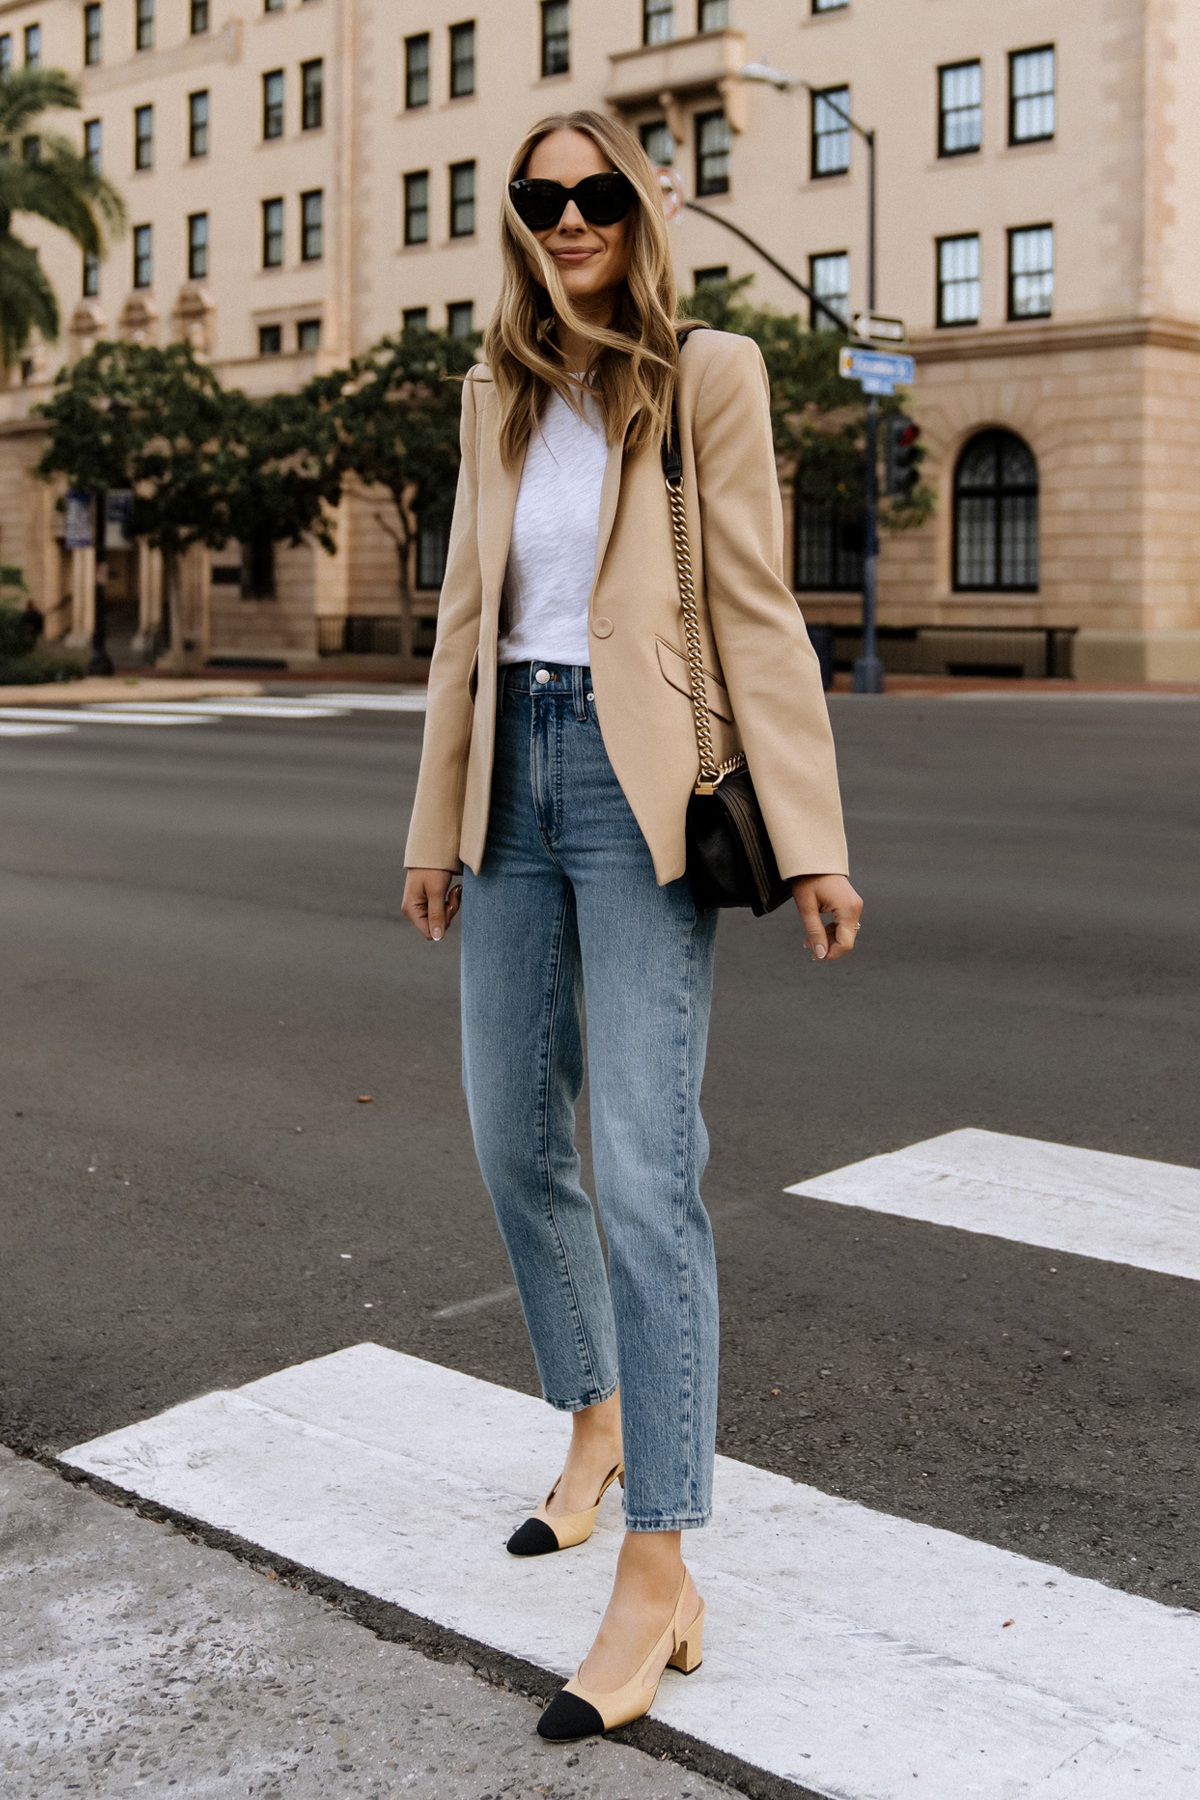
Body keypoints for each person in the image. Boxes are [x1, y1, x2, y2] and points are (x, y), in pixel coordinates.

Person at [402, 109, 862, 1740]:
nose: (572, 216)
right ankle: (590, 1414)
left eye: (597, 194)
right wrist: (435, 822)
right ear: (518, 221)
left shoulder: (704, 373)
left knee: (646, 1174)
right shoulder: (494, 388)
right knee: (508, 1133)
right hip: (508, 782)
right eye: (544, 199)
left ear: (642, 209)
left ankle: (659, 1557)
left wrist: (808, 838)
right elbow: (470, 614)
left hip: (636, 787)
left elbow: (752, 602)